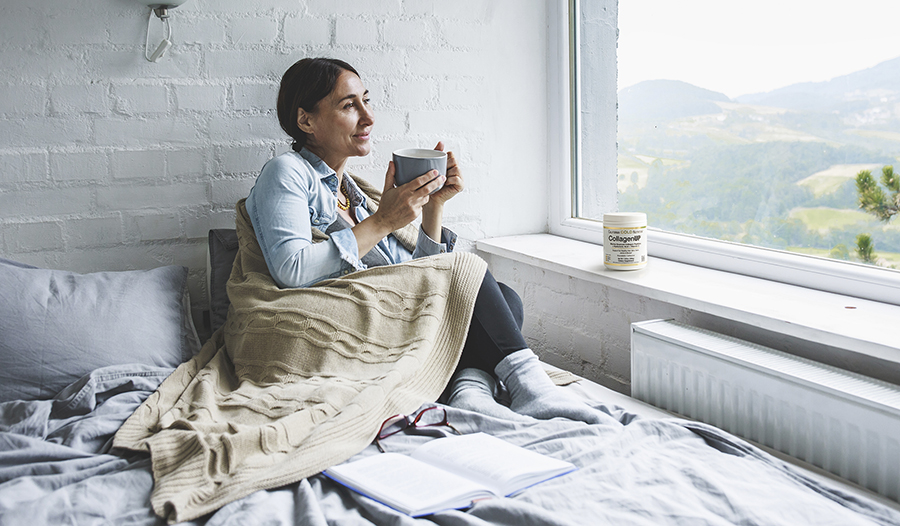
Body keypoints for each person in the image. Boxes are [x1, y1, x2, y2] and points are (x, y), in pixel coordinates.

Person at [246, 57, 609, 424]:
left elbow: (414, 275)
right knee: (467, 273)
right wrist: (383, 221)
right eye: (348, 105)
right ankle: (532, 389)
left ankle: (470, 391)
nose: (368, 117)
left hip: (386, 312)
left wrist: (435, 207)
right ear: (306, 120)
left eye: (366, 101)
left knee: (502, 295)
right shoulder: (286, 173)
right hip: (344, 322)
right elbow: (291, 270)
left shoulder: (353, 192)